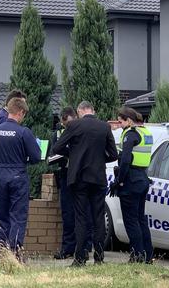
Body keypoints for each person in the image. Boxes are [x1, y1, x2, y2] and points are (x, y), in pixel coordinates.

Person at [52, 101, 118, 266]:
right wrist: (101, 158)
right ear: (93, 110)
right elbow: (113, 154)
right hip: (98, 178)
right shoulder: (104, 127)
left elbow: (57, 147)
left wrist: (73, 154)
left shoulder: (74, 125)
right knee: (98, 218)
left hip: (79, 178)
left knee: (81, 218)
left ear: (79, 111)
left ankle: (80, 257)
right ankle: (99, 257)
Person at [0, 97, 41, 261]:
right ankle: (15, 254)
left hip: (0, 176)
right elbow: (36, 157)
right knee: (17, 216)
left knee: (1, 214)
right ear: (21, 112)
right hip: (18, 176)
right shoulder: (23, 132)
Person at [50, 107, 93, 259]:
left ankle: (86, 247)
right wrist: (68, 155)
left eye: (68, 124)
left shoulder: (83, 130)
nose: (66, 127)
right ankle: (68, 248)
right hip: (66, 174)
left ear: (75, 118)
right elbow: (52, 154)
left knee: (85, 212)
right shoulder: (58, 133)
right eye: (64, 125)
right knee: (68, 213)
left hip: (82, 175)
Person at [112, 107, 153, 264]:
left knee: (131, 220)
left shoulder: (130, 134)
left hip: (131, 181)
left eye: (121, 121)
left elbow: (125, 160)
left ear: (129, 121)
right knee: (140, 219)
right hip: (142, 178)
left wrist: (119, 181)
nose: (120, 124)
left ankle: (137, 255)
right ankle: (147, 255)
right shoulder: (145, 132)